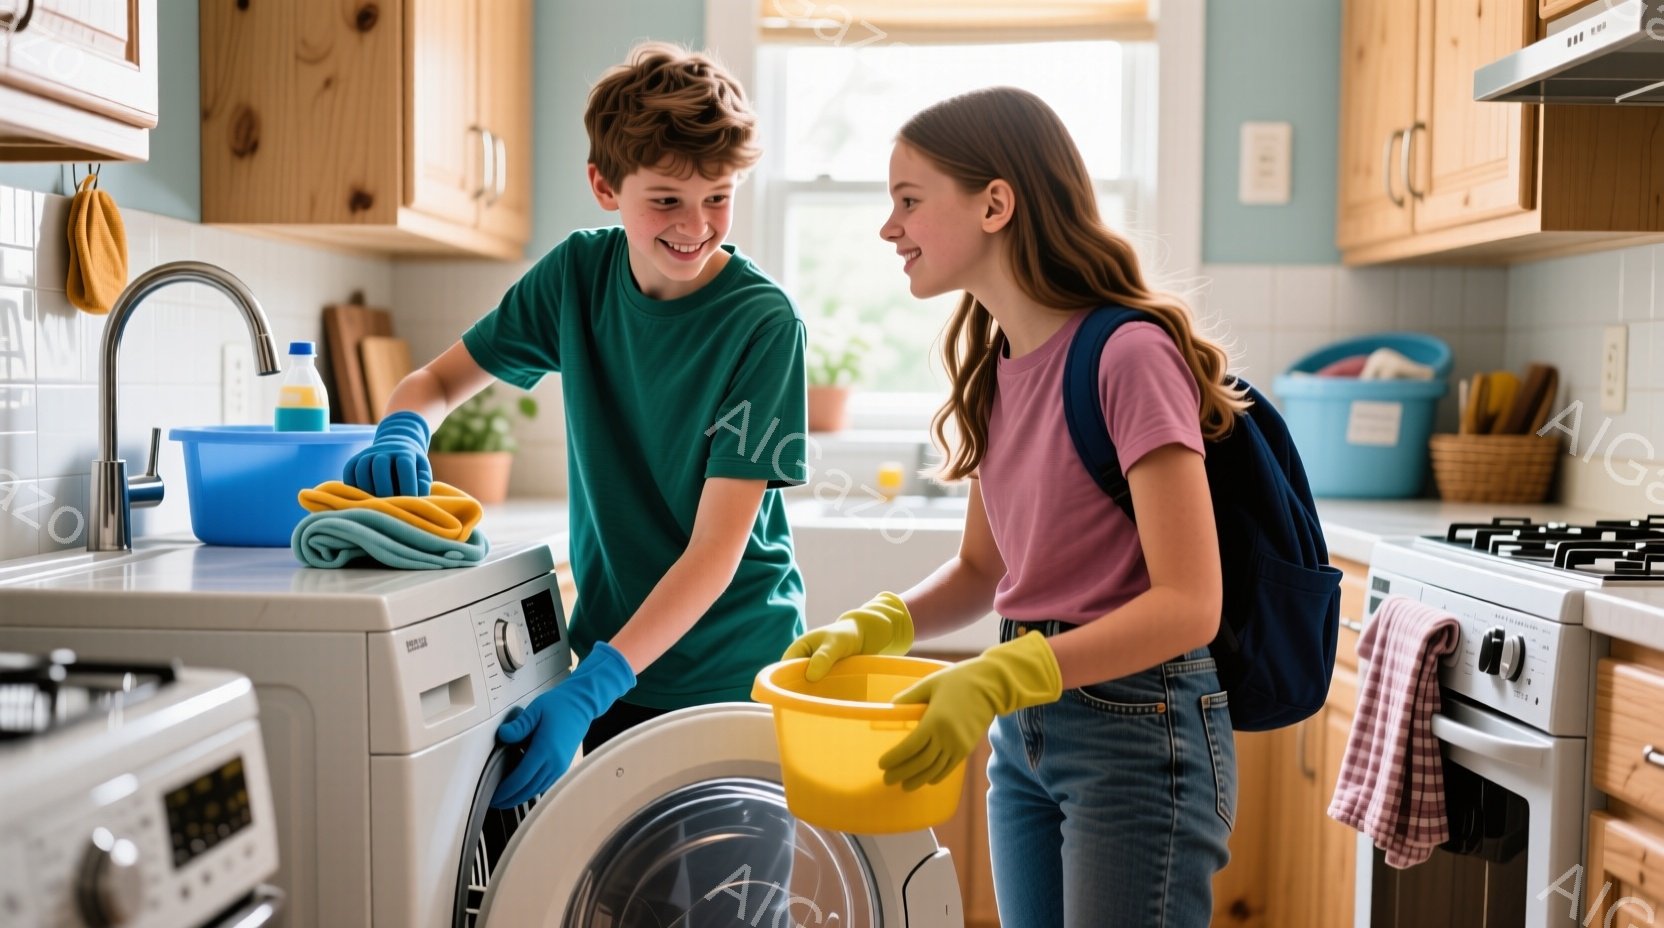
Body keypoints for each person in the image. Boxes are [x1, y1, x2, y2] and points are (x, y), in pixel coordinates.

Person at [784, 86, 1242, 926]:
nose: (890, 228)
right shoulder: (998, 369)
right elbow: (982, 571)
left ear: (996, 203)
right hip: (1026, 729)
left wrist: (1004, 676)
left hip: (1138, 729)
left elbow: (1190, 604)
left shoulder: (1127, 356)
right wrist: (879, 623)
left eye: (910, 201)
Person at [344, 42, 809, 812]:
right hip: (615, 664)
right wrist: (402, 426)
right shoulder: (577, 278)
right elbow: (437, 382)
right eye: (666, 200)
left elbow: (716, 552)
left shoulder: (761, 323)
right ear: (605, 186)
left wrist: (592, 684)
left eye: (719, 198)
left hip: (731, 674)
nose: (697, 227)